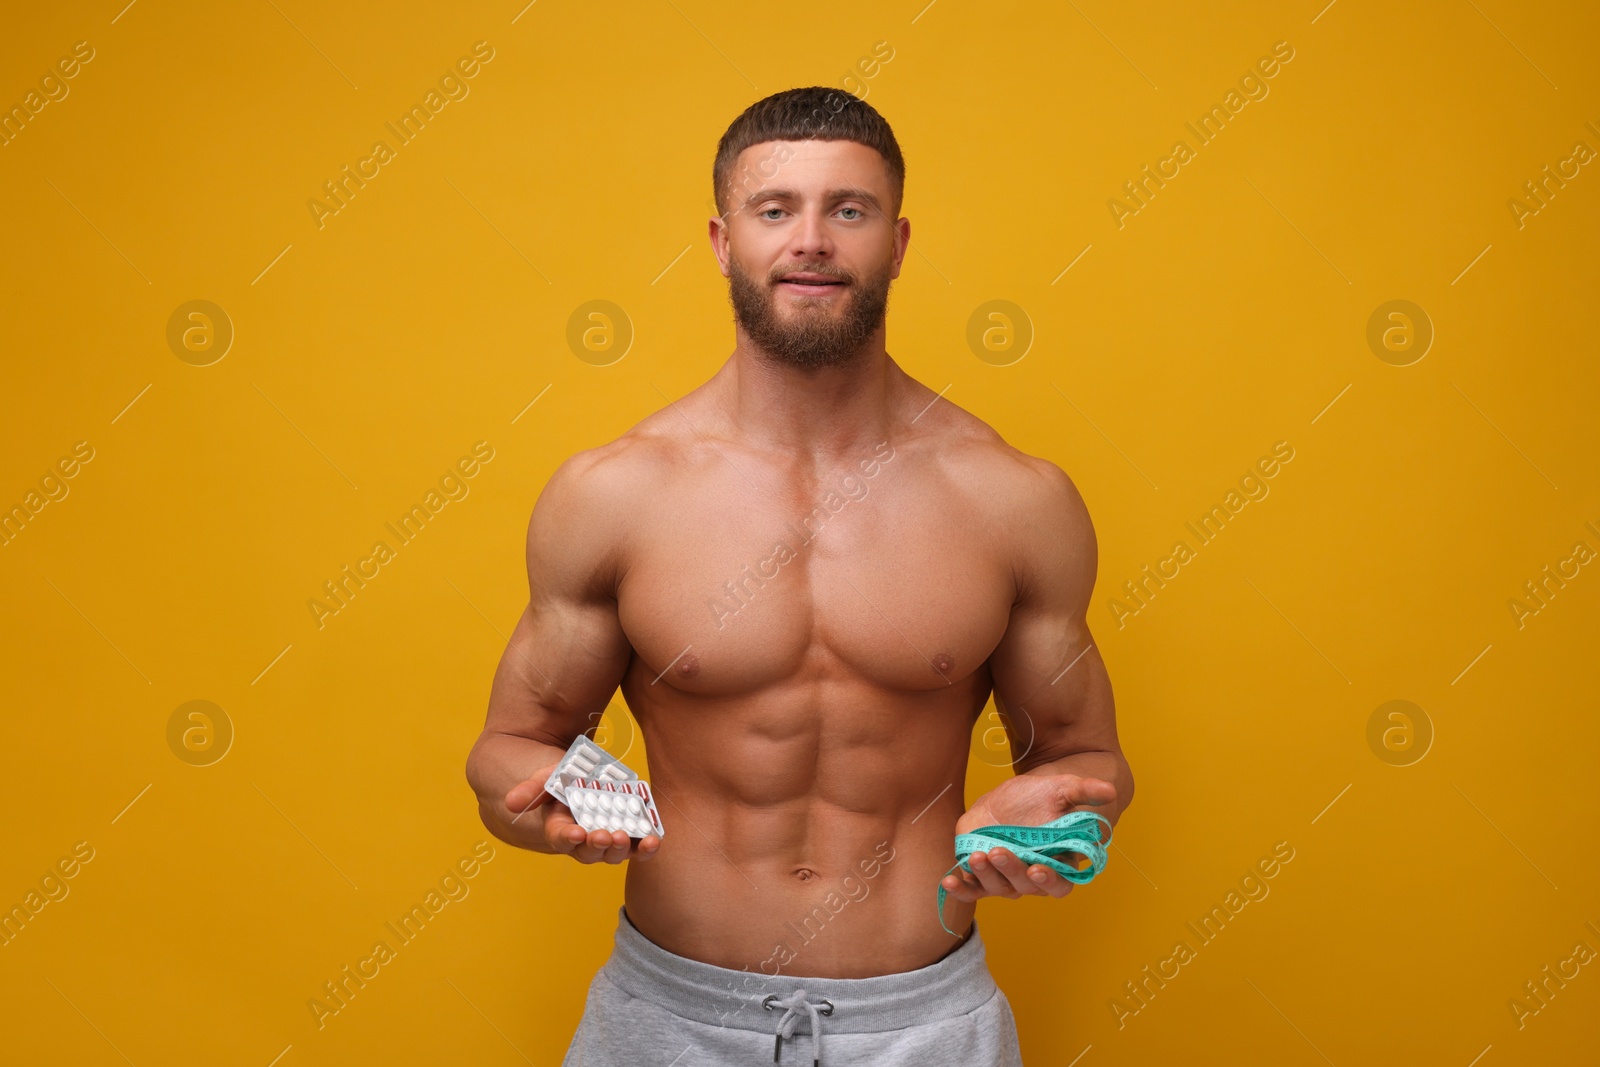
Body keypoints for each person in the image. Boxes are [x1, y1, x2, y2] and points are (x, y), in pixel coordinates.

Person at [464, 85, 1134, 1067]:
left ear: (897, 243)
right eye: (775, 209)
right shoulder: (615, 493)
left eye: (847, 210)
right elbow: (508, 744)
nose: (811, 239)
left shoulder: (1011, 500)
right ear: (721, 239)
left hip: (924, 1023)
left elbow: (1090, 760)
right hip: (667, 1020)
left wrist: (1062, 820)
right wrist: (541, 805)